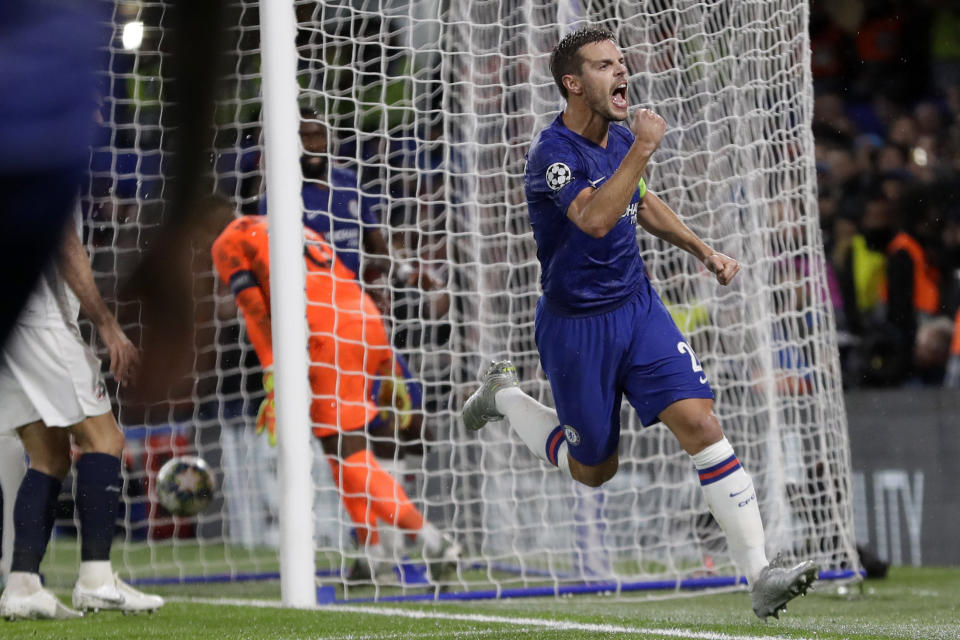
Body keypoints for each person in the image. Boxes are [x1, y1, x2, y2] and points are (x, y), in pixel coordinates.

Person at [462, 27, 817, 620]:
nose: (621, 73)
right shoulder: (554, 154)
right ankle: (506, 398)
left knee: (700, 421)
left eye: (621, 62)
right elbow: (597, 219)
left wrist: (703, 251)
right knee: (594, 470)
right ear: (573, 83)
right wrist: (642, 149)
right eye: (604, 65)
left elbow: (641, 203)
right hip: (576, 327)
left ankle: (759, 575)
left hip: (638, 308)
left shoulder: (622, 139)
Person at [209, 206, 459, 581]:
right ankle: (373, 553)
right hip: (365, 320)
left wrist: (273, 373)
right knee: (342, 450)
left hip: (325, 334)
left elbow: (255, 309)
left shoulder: (226, 242)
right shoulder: (291, 224)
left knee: (347, 451)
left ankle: (431, 541)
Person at [0, 209, 164, 619]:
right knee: (105, 440)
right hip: (41, 320)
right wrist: (107, 326)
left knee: (50, 457)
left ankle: (22, 585)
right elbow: (64, 243)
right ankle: (96, 578)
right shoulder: (50, 147)